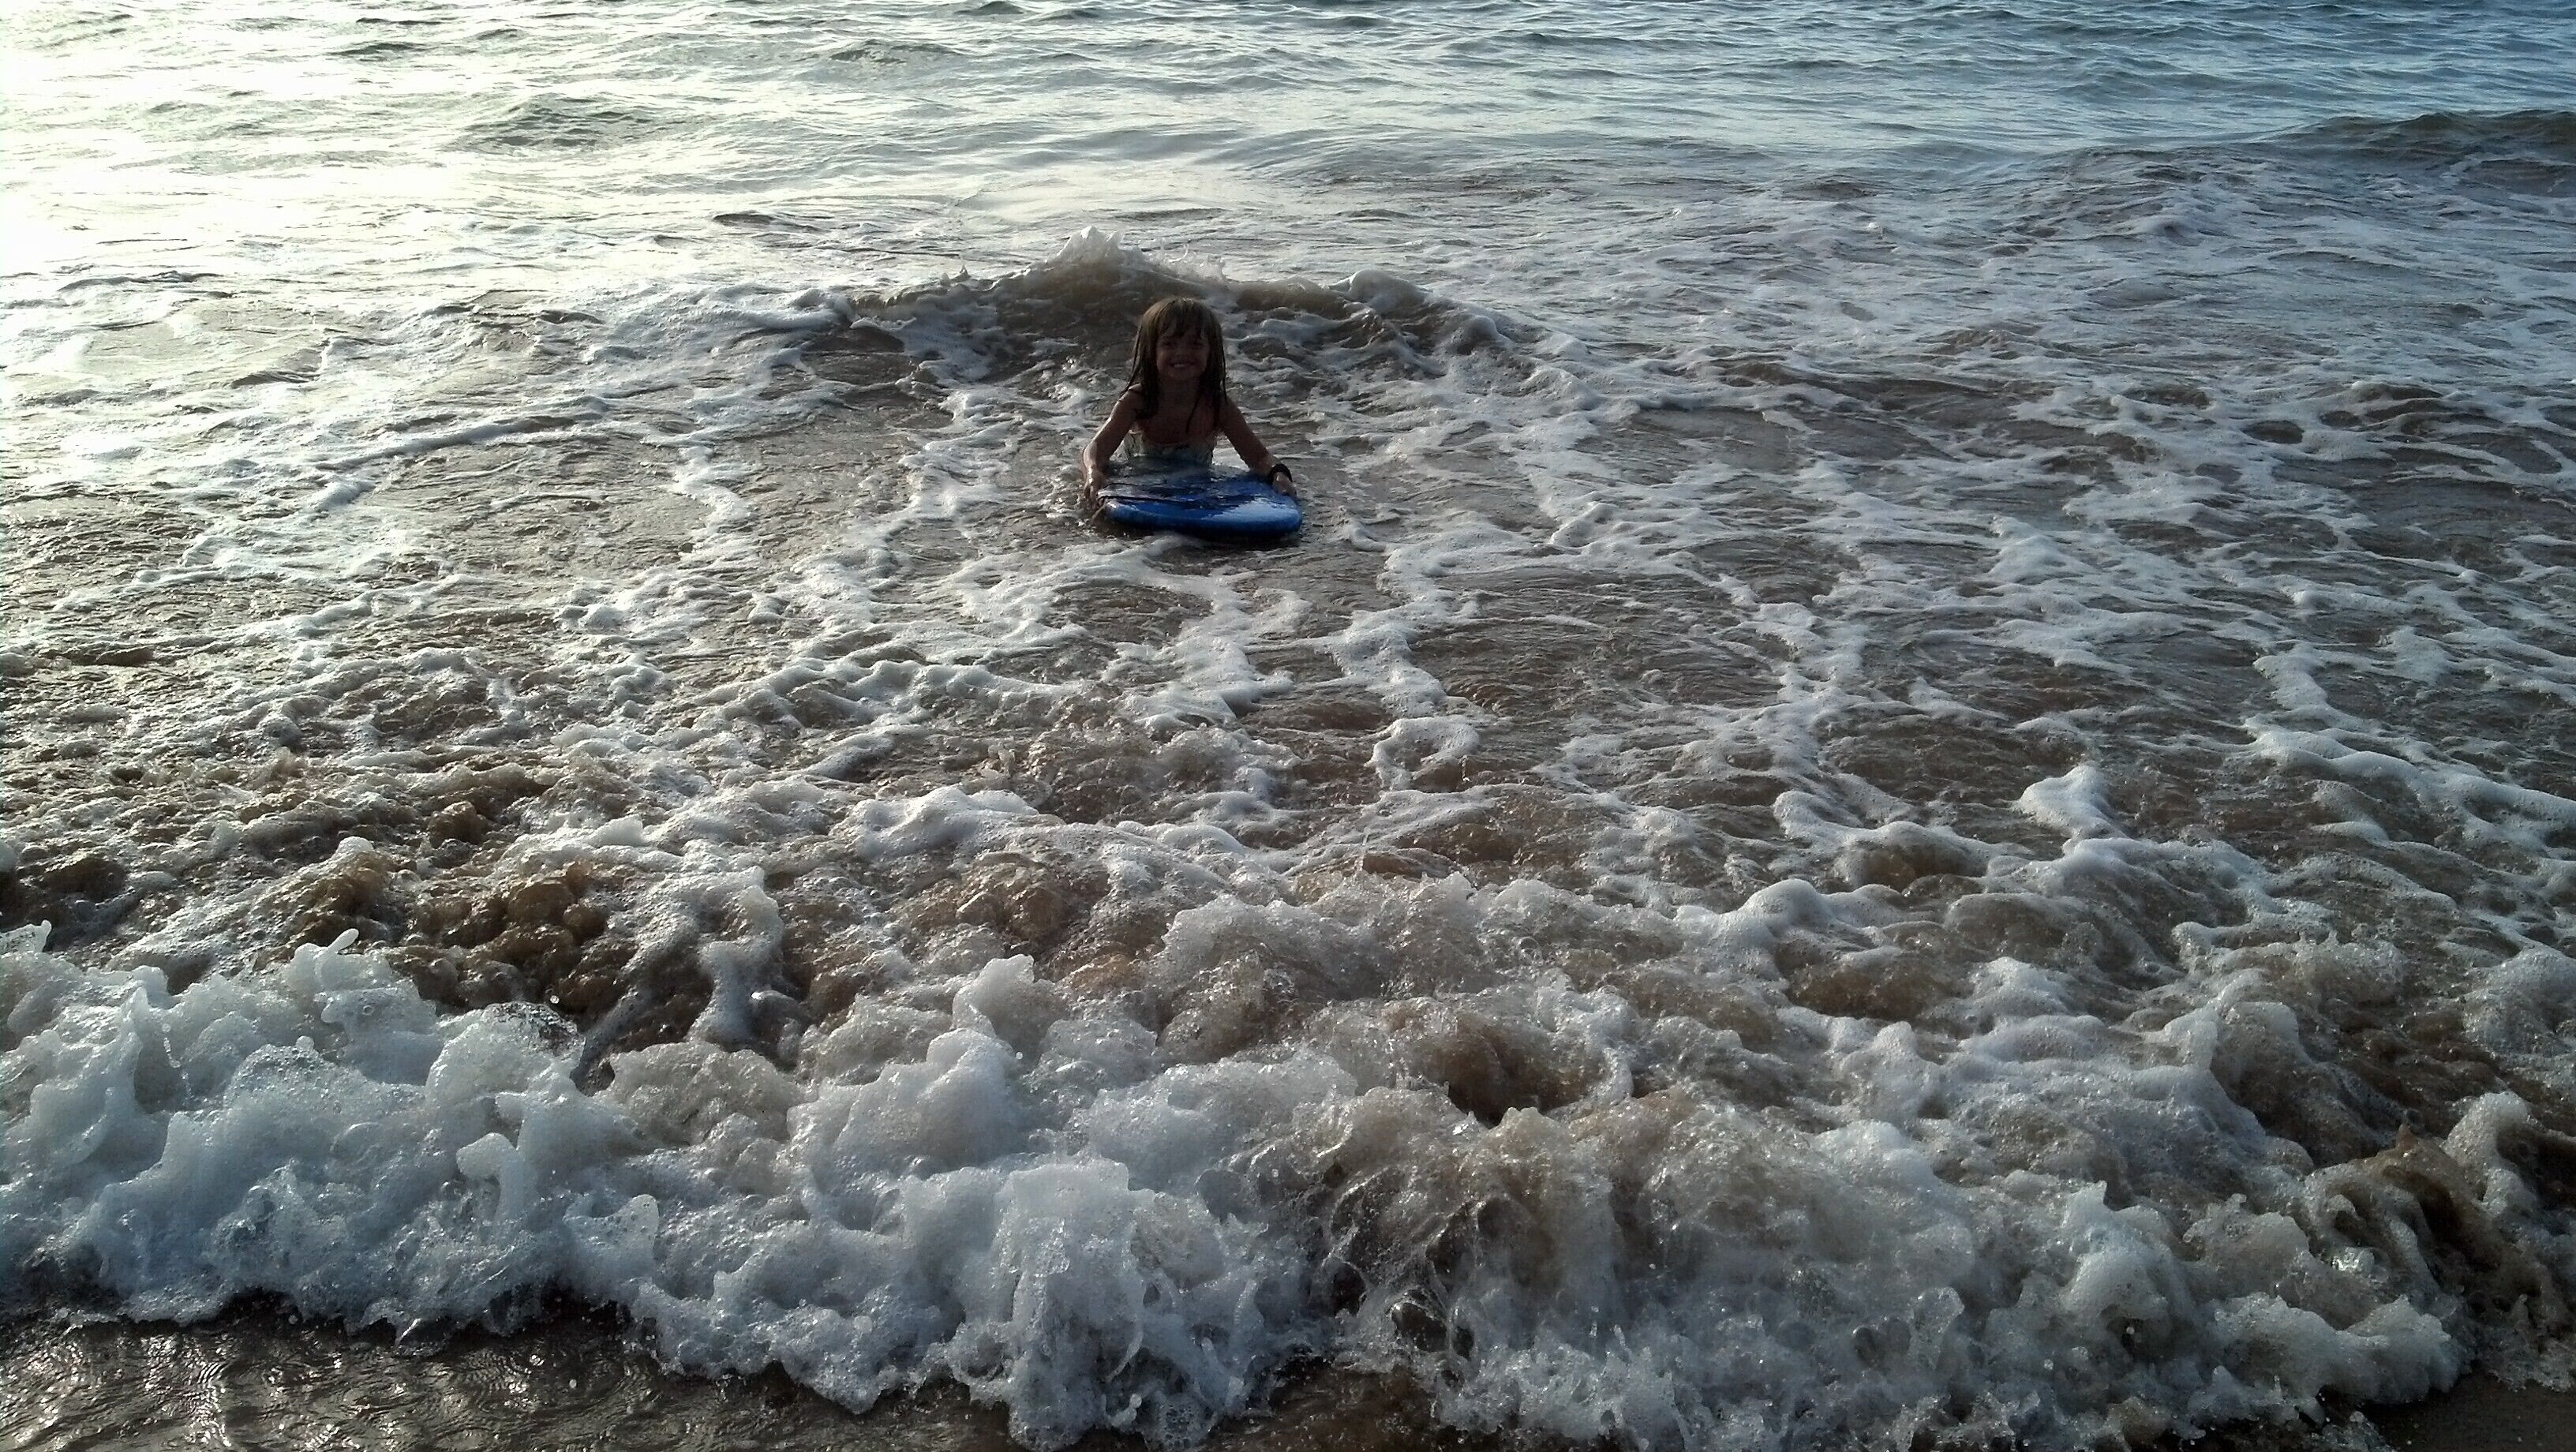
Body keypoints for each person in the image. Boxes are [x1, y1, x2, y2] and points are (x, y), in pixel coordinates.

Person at [1080, 297, 1294, 515]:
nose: (1182, 353)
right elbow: (1097, 449)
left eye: (1195, 344)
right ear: (1151, 351)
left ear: (1210, 352)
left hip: (1195, 492)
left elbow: (1258, 457)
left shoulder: (1218, 406)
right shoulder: (1137, 401)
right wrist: (1093, 471)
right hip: (1140, 490)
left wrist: (1278, 474)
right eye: (1169, 344)